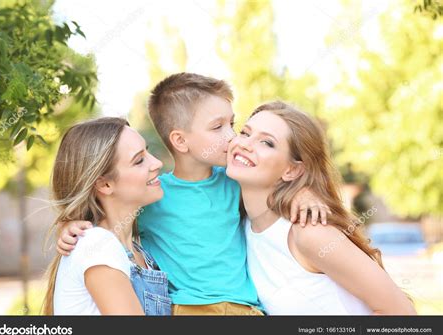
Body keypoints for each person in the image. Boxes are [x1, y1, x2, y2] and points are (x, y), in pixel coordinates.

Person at [56, 73, 329, 315]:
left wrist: (304, 193)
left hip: (246, 308)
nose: (233, 137)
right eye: (217, 127)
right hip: (190, 309)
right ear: (180, 140)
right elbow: (103, 216)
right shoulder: (154, 196)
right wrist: (70, 224)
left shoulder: (235, 182)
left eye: (232, 124)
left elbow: (278, 182)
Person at [226, 101, 417, 315]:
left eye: (267, 143)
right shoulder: (238, 223)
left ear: (292, 170)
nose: (245, 144)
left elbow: (402, 313)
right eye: (244, 132)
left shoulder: (310, 233)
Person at [43, 117, 171, 315]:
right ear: (104, 184)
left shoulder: (138, 251)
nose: (157, 163)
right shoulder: (98, 246)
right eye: (139, 161)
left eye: (148, 151)